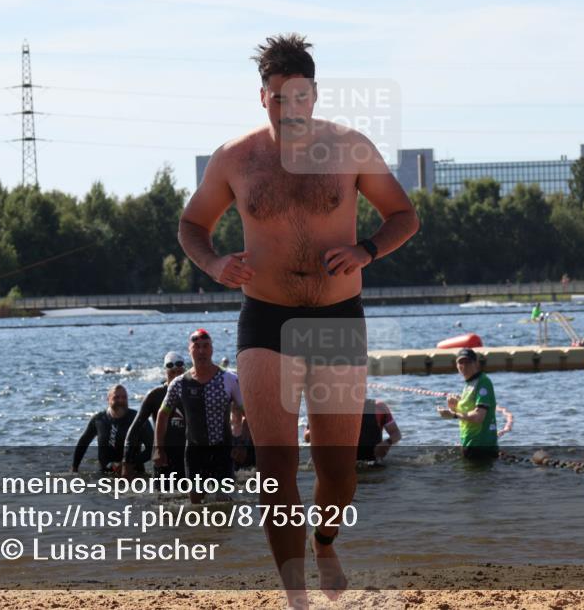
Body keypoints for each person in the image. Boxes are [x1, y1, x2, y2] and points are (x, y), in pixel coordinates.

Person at [176, 33, 419, 608]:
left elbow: (403, 216)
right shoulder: (235, 158)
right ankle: (296, 598)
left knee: (338, 474)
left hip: (337, 318)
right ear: (263, 97)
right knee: (275, 468)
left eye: (300, 97)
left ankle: (325, 541)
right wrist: (214, 263)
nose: (290, 109)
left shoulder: (350, 147)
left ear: (314, 94)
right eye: (279, 98)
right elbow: (192, 225)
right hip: (265, 319)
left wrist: (365, 251)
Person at [153, 329, 244, 504]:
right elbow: (163, 414)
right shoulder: (179, 383)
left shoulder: (229, 379)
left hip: (222, 450)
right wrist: (158, 448)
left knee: (223, 502)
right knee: (195, 503)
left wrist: (241, 443)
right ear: (190, 350)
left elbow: (245, 412)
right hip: (194, 452)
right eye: (197, 347)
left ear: (212, 349)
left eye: (206, 346)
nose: (201, 351)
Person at [122, 351, 186, 480]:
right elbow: (134, 429)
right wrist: (127, 462)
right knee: (161, 492)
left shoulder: (192, 393)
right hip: (162, 457)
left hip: (187, 457)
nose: (175, 376)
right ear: (165, 372)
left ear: (184, 371)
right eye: (172, 372)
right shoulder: (155, 395)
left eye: (179, 372)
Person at [437, 348, 498, 461]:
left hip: (481, 446)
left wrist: (453, 415)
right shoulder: (469, 384)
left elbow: (478, 417)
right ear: (456, 365)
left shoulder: (483, 382)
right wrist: (454, 406)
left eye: (468, 362)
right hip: (469, 443)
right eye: (461, 362)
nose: (464, 366)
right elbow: (467, 412)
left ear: (476, 363)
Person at [72, 384, 146, 475]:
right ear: (108, 399)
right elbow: (83, 443)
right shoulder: (99, 419)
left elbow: (152, 449)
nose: (121, 400)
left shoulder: (138, 419)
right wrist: (74, 467)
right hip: (105, 473)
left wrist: (127, 464)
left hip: (134, 473)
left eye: (124, 397)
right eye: (116, 397)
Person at [303, 398, 401, 463]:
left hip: (371, 464)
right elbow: (307, 438)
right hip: (336, 466)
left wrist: (387, 442)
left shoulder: (378, 407)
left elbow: (396, 433)